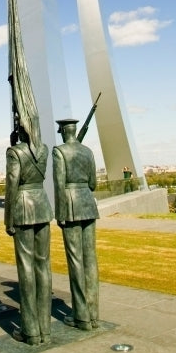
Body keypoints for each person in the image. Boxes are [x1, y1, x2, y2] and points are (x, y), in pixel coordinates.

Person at [4, 125, 52, 345]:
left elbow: (13, 183)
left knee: (26, 267)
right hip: (42, 206)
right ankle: (45, 327)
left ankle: (30, 330)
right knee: (43, 265)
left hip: (24, 208)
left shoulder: (15, 152)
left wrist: (8, 217)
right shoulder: (44, 149)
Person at [52, 118, 100, 330]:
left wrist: (61, 213)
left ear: (63, 131)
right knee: (90, 259)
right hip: (88, 204)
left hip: (71, 206)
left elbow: (59, 184)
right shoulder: (88, 151)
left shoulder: (59, 152)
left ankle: (81, 315)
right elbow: (93, 183)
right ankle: (93, 314)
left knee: (76, 261)